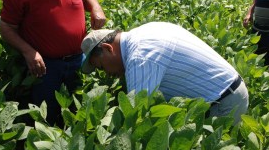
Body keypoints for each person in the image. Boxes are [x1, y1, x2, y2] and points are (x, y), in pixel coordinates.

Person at [0, 0, 106, 125]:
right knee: (46, 117)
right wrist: (28, 51)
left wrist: (96, 9)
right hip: (46, 67)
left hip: (78, 59)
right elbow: (6, 27)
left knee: (78, 111)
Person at [81, 22, 249, 124]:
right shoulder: (144, 32)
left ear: (107, 48)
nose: (107, 74)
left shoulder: (140, 56)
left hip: (223, 103)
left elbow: (137, 115)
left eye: (101, 67)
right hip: (226, 93)